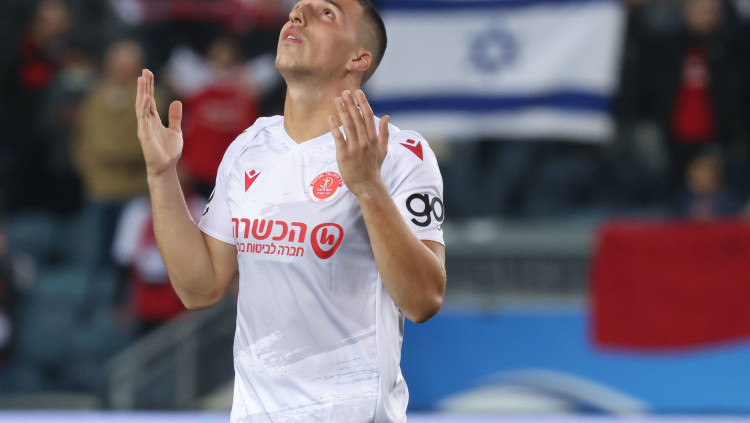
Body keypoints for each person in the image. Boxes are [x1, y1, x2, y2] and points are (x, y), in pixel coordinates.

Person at [134, 0, 446, 421]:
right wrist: (161, 175)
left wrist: (369, 187)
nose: (297, 16)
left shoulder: (400, 153)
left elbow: (424, 300)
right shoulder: (248, 147)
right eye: (298, 8)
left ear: (359, 58)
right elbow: (200, 289)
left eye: (326, 13)